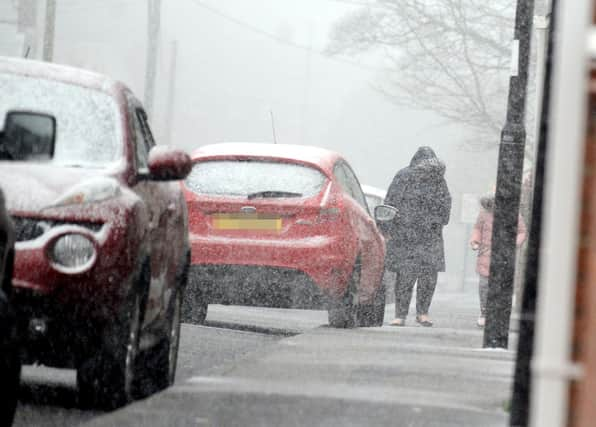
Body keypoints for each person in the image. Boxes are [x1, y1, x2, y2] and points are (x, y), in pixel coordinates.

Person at [384, 147, 451, 327]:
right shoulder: (439, 180)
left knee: (405, 276)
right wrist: (435, 221)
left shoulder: (403, 176)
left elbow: (390, 203)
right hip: (430, 235)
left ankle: (400, 315)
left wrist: (387, 227)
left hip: (406, 234)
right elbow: (445, 208)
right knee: (428, 276)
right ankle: (422, 313)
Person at [469, 194, 527, 328]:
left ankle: (497, 314)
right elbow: (478, 228)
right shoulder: (484, 214)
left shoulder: (513, 214)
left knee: (501, 285)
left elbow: (522, 231)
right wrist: (475, 241)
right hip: (486, 253)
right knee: (484, 285)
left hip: (504, 254)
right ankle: (484, 312)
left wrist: (514, 244)